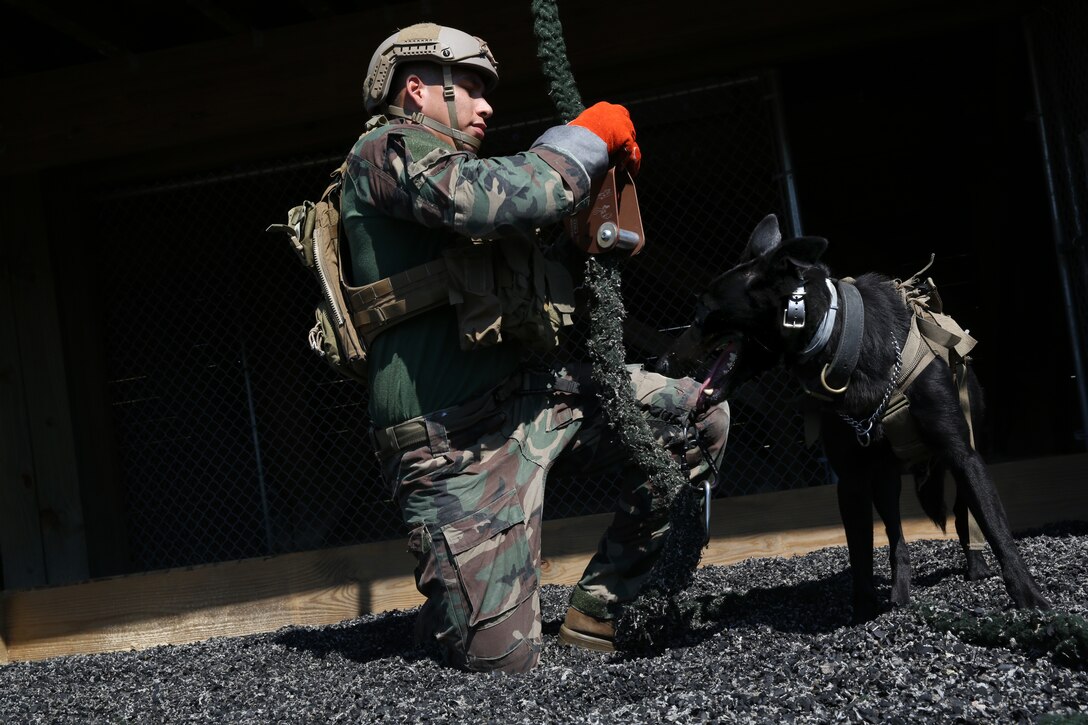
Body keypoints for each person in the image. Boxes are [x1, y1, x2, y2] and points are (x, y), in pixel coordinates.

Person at [344, 22, 730, 673]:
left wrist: (583, 225)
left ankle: (602, 610)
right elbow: (480, 199)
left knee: (692, 415)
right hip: (450, 444)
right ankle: (450, 612)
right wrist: (582, 141)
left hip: (526, 401)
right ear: (416, 89)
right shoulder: (384, 153)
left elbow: (512, 234)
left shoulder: (459, 169)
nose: (487, 105)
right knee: (501, 666)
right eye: (469, 87)